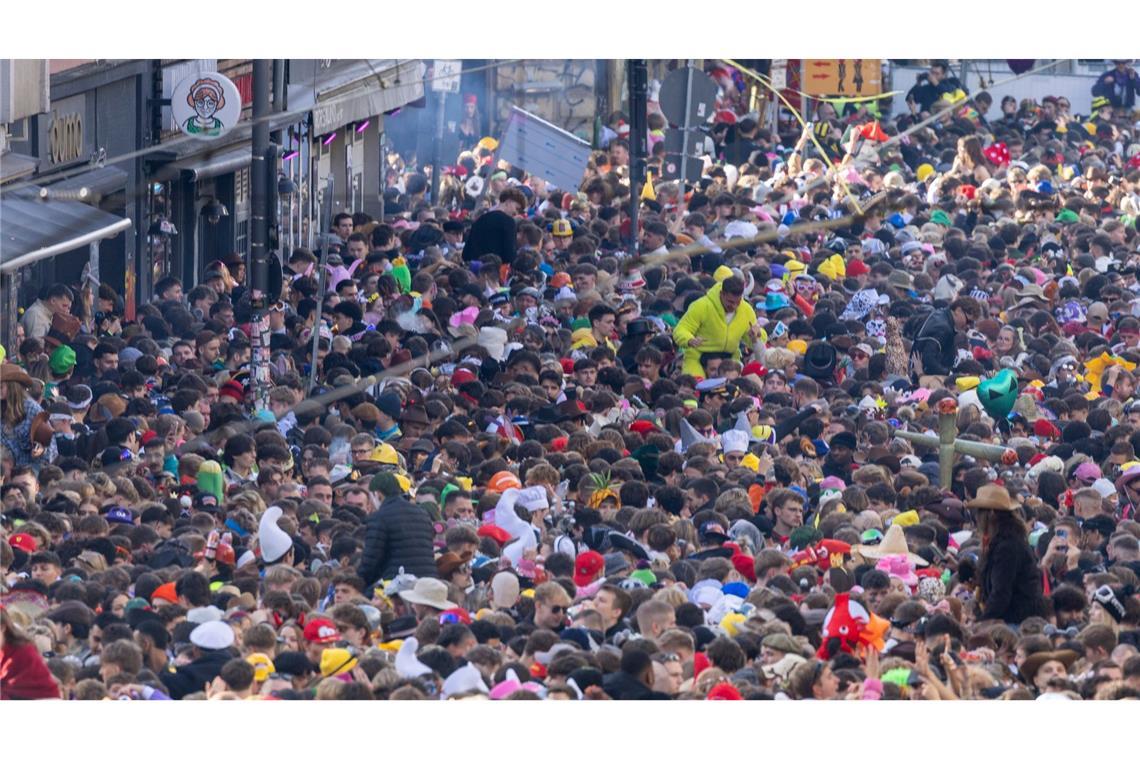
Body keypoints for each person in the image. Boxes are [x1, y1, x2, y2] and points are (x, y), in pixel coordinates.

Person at [966, 484, 1048, 625]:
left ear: (991, 514)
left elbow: (1001, 593)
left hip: (1016, 620)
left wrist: (980, 623)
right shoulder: (1005, 541)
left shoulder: (1007, 547)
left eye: (979, 512)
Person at [358, 472, 438, 584]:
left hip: (398, 581)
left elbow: (370, 561)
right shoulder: (422, 513)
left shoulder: (379, 517)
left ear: (378, 494)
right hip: (428, 580)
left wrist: (358, 580)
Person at [672, 275, 756, 378]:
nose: (734, 306)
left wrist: (756, 335)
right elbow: (681, 329)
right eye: (730, 302)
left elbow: (756, 339)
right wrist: (689, 339)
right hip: (698, 358)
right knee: (695, 387)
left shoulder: (746, 310)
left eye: (738, 302)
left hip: (730, 361)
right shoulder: (702, 305)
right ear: (722, 294)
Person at [908, 297, 981, 382]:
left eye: (972, 324)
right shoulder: (943, 328)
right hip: (924, 379)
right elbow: (928, 358)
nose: (968, 326)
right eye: (968, 321)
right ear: (958, 310)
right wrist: (950, 374)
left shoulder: (940, 313)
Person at [462, 187, 527, 265]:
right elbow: (509, 255)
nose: (516, 213)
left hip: (472, 267)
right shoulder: (508, 222)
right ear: (508, 202)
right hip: (492, 270)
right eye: (517, 208)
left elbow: (466, 253)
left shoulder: (481, 219)